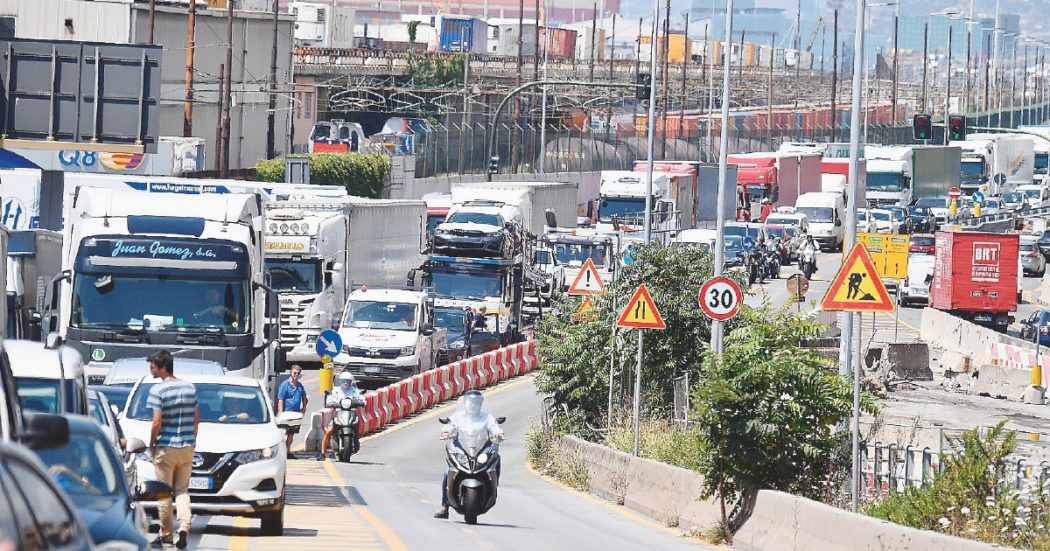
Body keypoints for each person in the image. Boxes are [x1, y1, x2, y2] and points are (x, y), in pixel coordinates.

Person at [146, 349, 199, 550]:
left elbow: (156, 422)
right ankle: (184, 526)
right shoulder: (189, 388)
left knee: (164, 493)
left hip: (166, 447)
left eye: (153, 366)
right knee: (182, 490)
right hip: (186, 446)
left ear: (162, 367)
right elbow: (196, 418)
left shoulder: (157, 391)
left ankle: (166, 535)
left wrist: (152, 444)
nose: (151, 369)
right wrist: (192, 439)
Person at [434, 390, 504, 519]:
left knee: (496, 460)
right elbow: (449, 426)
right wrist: (445, 432)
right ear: (466, 404)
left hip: (480, 451)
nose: (473, 405)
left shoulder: (486, 417)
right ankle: (445, 507)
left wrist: (498, 432)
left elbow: (494, 427)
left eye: (476, 403)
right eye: (470, 403)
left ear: (480, 404)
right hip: (463, 451)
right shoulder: (458, 416)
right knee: (446, 472)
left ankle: (493, 488)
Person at [319, 371, 366, 460]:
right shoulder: (335, 391)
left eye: (347, 381)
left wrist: (362, 402)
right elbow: (330, 398)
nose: (345, 383)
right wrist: (330, 402)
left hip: (351, 413)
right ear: (340, 381)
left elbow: (360, 397)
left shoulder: (353, 391)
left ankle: (355, 440)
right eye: (344, 381)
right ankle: (322, 453)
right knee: (329, 430)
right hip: (339, 413)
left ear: (350, 382)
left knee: (357, 425)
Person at [277, 365, 309, 454]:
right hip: (286, 413)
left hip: (296, 414)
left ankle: (288, 451)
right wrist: (280, 413)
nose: (296, 375)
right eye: (294, 373)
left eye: (298, 373)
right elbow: (281, 400)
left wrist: (304, 408)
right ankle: (282, 452)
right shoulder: (285, 385)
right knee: (283, 434)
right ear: (291, 373)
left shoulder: (300, 386)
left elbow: (304, 397)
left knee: (291, 434)